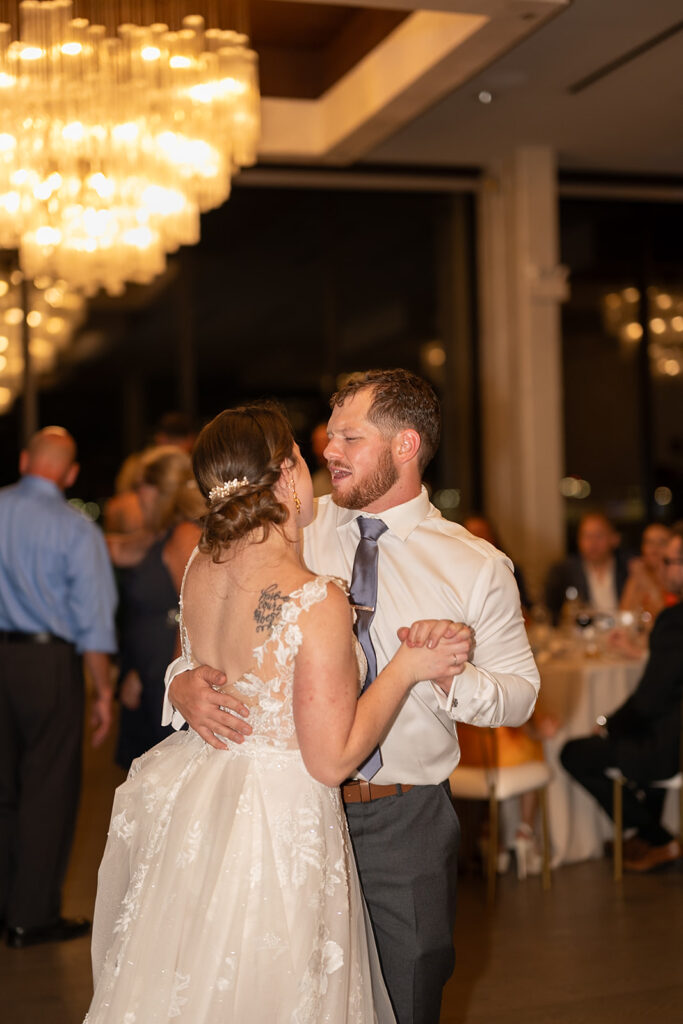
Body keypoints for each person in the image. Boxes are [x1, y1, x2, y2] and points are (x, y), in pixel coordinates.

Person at [165, 369, 540, 1024]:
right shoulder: (292, 525)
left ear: (405, 445)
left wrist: (449, 675)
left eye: (347, 437)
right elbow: (210, 632)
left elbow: (517, 697)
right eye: (326, 437)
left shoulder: (474, 565)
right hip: (293, 812)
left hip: (404, 818)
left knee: (407, 990)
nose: (327, 451)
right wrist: (180, 683)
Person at [85, 402, 463, 1023]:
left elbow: (194, 661)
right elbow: (332, 759)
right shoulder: (316, 600)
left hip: (204, 809)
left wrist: (180, 677)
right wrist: (406, 669)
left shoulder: (202, 567)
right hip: (281, 823)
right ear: (287, 475)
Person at [0, 427, 117, 949]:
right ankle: (31, 916)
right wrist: (103, 692)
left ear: (25, 460)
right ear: (70, 474)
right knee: (48, 789)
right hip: (48, 665)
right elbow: (92, 621)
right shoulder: (76, 530)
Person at [560, 523, 683, 873]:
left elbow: (651, 698)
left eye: (671, 560)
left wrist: (609, 725)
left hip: (669, 742)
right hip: (669, 732)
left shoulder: (675, 621)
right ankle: (648, 838)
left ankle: (658, 837)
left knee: (575, 754)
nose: (662, 566)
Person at [106, 446, 204, 769]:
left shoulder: (185, 535)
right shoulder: (161, 534)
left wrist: (170, 678)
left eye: (140, 488)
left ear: (161, 491)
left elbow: (194, 612)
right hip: (150, 675)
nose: (136, 497)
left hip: (166, 683)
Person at [544, 511, 630, 625]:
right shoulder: (563, 571)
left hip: (620, 632)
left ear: (614, 539)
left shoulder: (628, 568)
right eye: (587, 536)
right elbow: (549, 612)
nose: (592, 543)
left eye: (599, 536)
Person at [619, 522, 671, 623]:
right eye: (649, 542)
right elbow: (624, 615)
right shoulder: (639, 573)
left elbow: (667, 618)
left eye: (661, 543)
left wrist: (647, 583)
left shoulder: (675, 578)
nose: (654, 548)